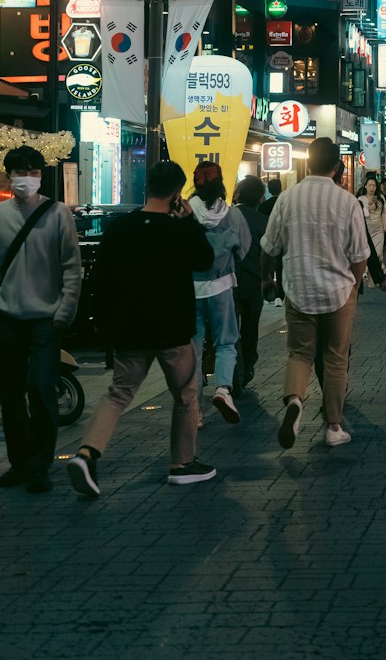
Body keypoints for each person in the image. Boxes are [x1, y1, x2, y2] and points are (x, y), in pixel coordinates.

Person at [65, 161, 217, 497]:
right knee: (186, 395)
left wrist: (105, 324)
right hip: (173, 330)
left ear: (146, 187)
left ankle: (87, 452)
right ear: (178, 193)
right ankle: (182, 463)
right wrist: (190, 221)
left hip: (129, 330)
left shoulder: (120, 228)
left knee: (118, 394)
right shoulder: (178, 229)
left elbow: (101, 281)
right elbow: (205, 260)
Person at [261, 136, 369, 449]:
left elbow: (269, 246)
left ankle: (295, 400)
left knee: (300, 353)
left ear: (307, 162)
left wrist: (267, 279)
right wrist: (354, 284)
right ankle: (333, 426)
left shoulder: (287, 198)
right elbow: (360, 255)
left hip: (298, 289)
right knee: (335, 359)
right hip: (338, 290)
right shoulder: (347, 201)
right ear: (337, 167)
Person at [0, 145, 82, 494]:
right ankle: (20, 463)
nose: (27, 179)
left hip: (46, 320)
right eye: (21, 172)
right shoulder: (1, 215)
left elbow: (71, 267)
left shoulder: (58, 213)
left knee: (41, 388)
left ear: (41, 175)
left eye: (33, 172)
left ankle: (39, 466)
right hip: (6, 319)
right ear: (8, 175)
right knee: (10, 394)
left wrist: (64, 312)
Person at [188, 162, 251, 425]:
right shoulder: (233, 215)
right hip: (222, 286)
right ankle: (223, 390)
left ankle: (194, 411)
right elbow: (244, 248)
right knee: (226, 343)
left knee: (192, 350)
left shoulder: (184, 212)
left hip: (189, 290)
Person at [233, 175, 269, 384]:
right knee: (250, 327)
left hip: (228, 282)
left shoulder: (226, 217)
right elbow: (270, 253)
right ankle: (246, 366)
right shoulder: (263, 222)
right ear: (259, 199)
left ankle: (234, 370)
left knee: (230, 330)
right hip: (254, 283)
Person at [357, 175, 386, 272]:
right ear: (365, 186)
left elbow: (385, 212)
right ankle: (369, 272)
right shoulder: (361, 199)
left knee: (378, 254)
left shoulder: (380, 198)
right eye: (370, 185)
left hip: (379, 229)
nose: (372, 187)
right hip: (366, 229)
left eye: (374, 185)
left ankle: (371, 271)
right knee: (367, 252)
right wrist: (368, 205)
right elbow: (361, 214)